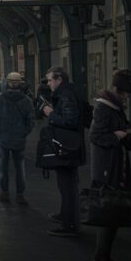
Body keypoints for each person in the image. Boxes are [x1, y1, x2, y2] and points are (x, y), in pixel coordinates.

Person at [90, 69, 131, 261]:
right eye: (125, 94)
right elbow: (96, 137)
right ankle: (101, 257)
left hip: (118, 164)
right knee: (109, 211)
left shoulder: (115, 107)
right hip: (108, 167)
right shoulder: (104, 108)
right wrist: (118, 135)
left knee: (115, 211)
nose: (128, 98)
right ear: (117, 90)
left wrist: (127, 133)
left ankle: (104, 255)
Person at [43, 66, 85, 237]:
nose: (48, 83)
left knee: (68, 186)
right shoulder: (68, 92)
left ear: (59, 79)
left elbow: (70, 121)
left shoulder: (66, 95)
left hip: (67, 147)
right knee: (66, 185)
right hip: (68, 145)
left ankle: (70, 225)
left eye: (50, 80)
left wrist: (51, 113)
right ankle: (66, 216)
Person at [0, 72, 35, 205]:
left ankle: (5, 192)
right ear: (20, 84)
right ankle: (20, 194)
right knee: (20, 168)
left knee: (3, 167)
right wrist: (24, 133)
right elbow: (31, 121)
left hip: (3, 139)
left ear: (6, 83)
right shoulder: (26, 100)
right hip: (19, 140)